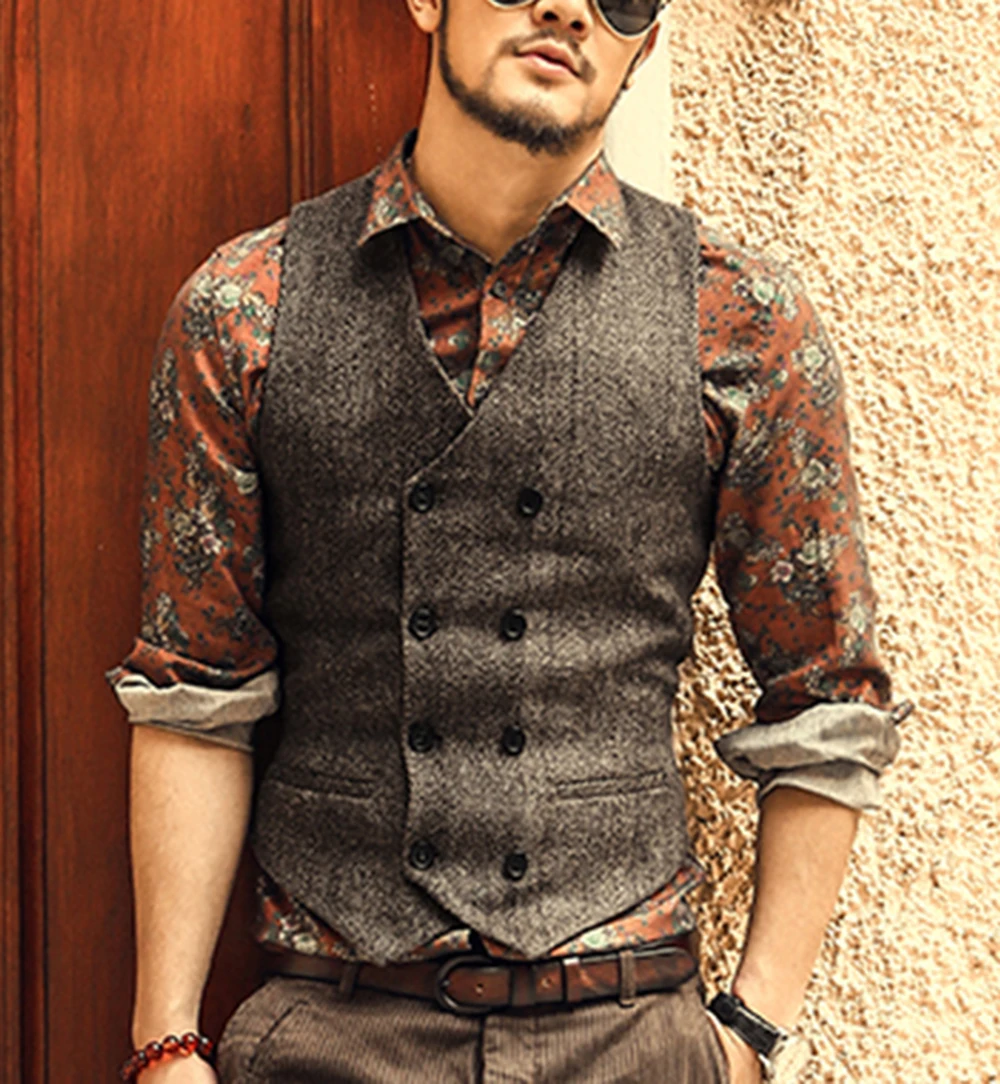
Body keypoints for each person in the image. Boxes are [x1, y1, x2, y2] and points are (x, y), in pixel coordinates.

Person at [108, 0, 910, 1081]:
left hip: (631, 1032)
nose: (569, 7)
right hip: (333, 1031)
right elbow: (196, 695)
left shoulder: (741, 321)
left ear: (645, 44)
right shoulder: (245, 309)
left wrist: (750, 1037)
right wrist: (166, 1042)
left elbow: (827, 699)